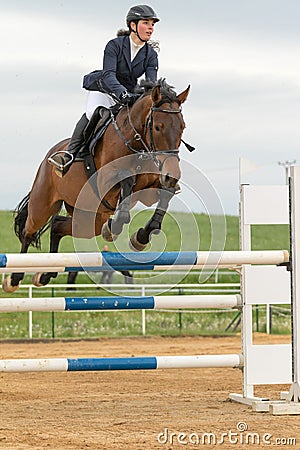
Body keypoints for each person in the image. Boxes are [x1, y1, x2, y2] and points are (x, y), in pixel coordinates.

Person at [48, 4, 160, 176]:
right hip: (105, 90)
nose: (151, 28)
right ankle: (69, 154)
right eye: (146, 23)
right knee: (94, 113)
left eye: (152, 24)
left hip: (129, 93)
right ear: (133, 25)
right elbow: (109, 74)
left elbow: (150, 83)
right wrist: (121, 93)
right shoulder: (114, 46)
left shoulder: (151, 55)